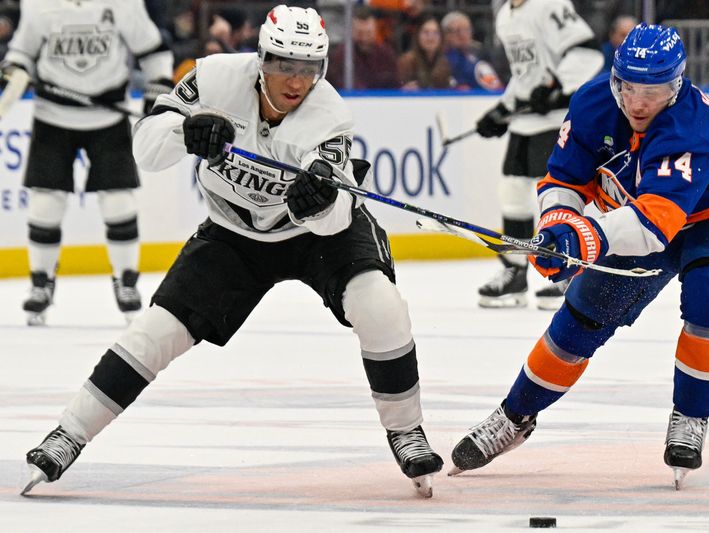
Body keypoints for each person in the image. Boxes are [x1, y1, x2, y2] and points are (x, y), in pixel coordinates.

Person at [20, 5, 443, 499]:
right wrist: (186, 130)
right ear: (261, 57)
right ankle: (68, 433)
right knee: (156, 332)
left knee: (380, 305)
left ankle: (406, 429)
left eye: (310, 69)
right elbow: (146, 148)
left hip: (312, 236)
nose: (296, 81)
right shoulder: (213, 77)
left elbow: (337, 217)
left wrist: (318, 201)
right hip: (232, 232)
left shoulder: (329, 116)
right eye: (285, 64)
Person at [449, 24, 709, 490]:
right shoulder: (591, 103)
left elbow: (652, 226)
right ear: (615, 79)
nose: (639, 102)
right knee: (582, 314)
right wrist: (557, 227)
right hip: (640, 219)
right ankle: (514, 415)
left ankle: (691, 416)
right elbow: (563, 181)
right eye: (629, 87)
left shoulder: (690, 129)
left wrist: (579, 238)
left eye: (655, 90)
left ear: (676, 85)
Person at [0, 0, 174, 326]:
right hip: (51, 115)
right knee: (44, 204)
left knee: (118, 202)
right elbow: (22, 51)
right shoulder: (38, 4)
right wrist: (16, 69)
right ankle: (41, 283)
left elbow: (153, 49)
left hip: (108, 115)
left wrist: (158, 88)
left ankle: (126, 281)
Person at [474, 0, 603, 310]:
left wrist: (556, 86)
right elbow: (524, 74)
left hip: (556, 118)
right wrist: (503, 110)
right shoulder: (505, 16)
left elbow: (587, 51)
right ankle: (514, 271)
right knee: (513, 192)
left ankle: (569, 271)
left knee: (557, 193)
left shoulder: (550, 4)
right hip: (525, 121)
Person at [326, 7, 400, 90]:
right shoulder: (342, 56)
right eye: (360, 33)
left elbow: (395, 84)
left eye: (368, 33)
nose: (364, 38)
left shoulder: (386, 54)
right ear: (352, 32)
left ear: (375, 31)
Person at [441, 10, 503, 91]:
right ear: (446, 34)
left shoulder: (482, 53)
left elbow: (495, 83)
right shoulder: (442, 58)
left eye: (466, 29)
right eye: (457, 31)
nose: (462, 35)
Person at [397, 16, 453, 90]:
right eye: (426, 32)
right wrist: (403, 90)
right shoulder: (406, 62)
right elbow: (394, 91)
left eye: (435, 33)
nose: (430, 38)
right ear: (417, 36)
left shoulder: (444, 63)